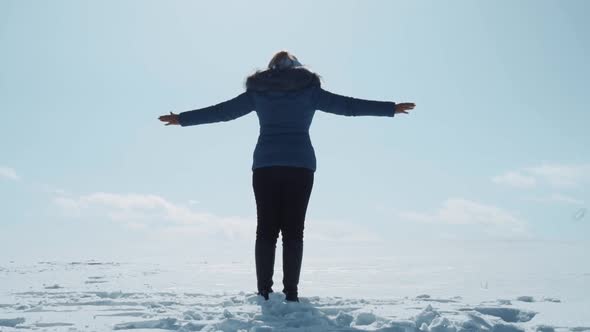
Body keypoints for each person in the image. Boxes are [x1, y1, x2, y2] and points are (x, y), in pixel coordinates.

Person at [158, 50, 416, 302]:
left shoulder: (259, 92)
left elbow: (222, 112)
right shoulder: (309, 91)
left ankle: (264, 293)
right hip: (300, 166)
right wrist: (390, 108)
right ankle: (291, 292)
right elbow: (348, 106)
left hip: (266, 166)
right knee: (294, 231)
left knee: (266, 230)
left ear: (270, 69)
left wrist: (182, 119)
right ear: (298, 68)